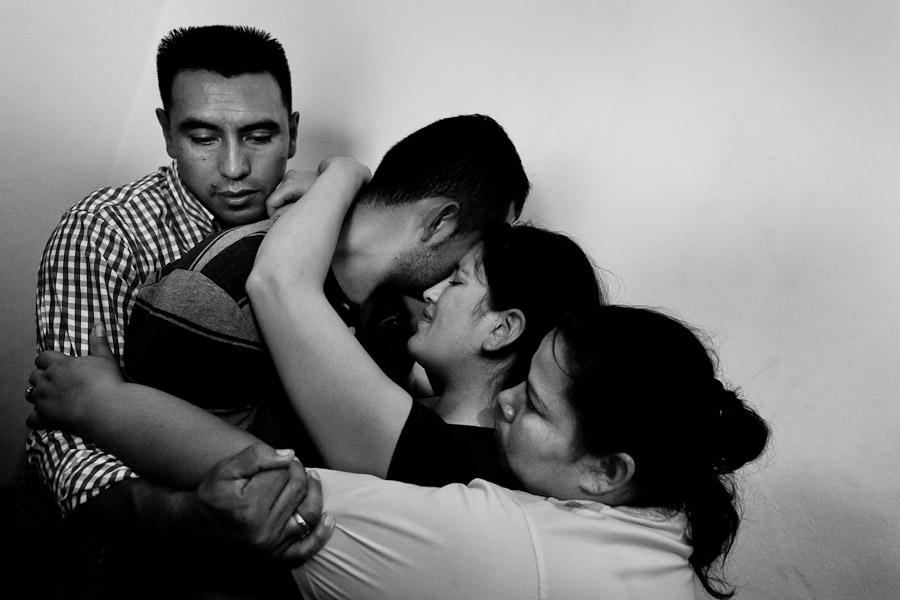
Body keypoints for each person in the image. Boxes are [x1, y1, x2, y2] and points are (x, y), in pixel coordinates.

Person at [28, 306, 771, 600]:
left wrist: (96, 401)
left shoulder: (511, 548)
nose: (505, 400)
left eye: (534, 405)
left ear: (608, 472)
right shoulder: (660, 529)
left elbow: (272, 485)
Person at [20, 24, 306, 598]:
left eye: (258, 136)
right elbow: (61, 440)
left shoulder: (307, 224)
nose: (233, 167)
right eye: (203, 138)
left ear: (293, 133)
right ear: (166, 133)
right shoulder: (104, 233)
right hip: (114, 566)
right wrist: (181, 514)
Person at [118, 116, 533, 478]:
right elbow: (183, 489)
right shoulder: (221, 290)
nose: (480, 264)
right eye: (485, 243)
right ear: (441, 222)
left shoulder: (395, 320)